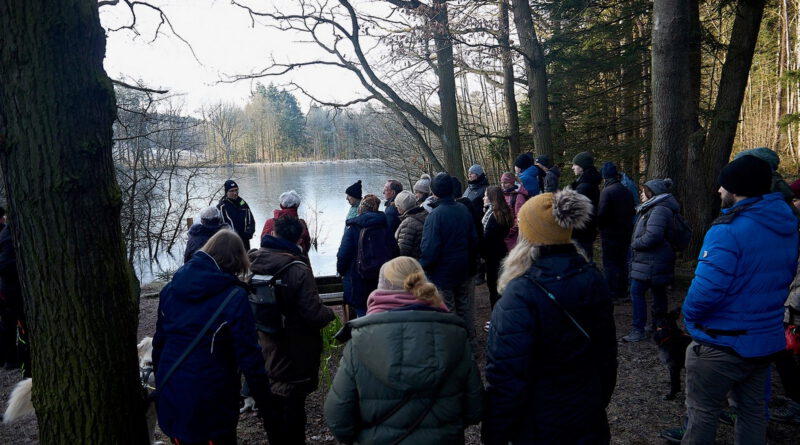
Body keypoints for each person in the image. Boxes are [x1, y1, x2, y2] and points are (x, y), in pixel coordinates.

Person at [678, 155, 798, 444]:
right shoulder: (786, 226)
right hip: (764, 341)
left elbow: (706, 291)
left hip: (722, 341)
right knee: (754, 413)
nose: (719, 191)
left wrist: (690, 317)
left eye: (723, 186)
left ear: (735, 189)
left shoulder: (727, 231)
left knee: (702, 412)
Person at [482, 189, 617, 445]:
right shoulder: (592, 278)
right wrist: (596, 403)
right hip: (588, 417)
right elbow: (607, 356)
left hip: (539, 425)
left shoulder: (520, 294)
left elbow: (506, 377)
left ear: (528, 234)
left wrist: (494, 434)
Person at [324, 256, 483, 444]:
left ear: (381, 288)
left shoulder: (359, 341)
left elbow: (338, 416)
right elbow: (475, 408)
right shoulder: (454, 335)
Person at [152, 229, 271, 445]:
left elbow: (159, 345)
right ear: (237, 260)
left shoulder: (170, 290)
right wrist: (266, 403)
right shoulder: (234, 297)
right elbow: (249, 357)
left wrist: (162, 388)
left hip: (173, 395)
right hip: (210, 402)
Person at [249, 217, 335, 444]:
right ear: (299, 238)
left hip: (263, 343)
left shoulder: (253, 260)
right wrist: (329, 314)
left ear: (274, 233)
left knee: (272, 402)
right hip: (294, 348)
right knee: (294, 407)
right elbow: (313, 315)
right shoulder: (298, 268)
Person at [420, 172, 479, 344]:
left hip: (443, 273)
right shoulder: (463, 210)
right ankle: (470, 344)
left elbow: (429, 249)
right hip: (463, 268)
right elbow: (473, 240)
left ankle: (454, 348)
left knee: (447, 310)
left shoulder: (435, 216)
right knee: (464, 307)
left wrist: (424, 267)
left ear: (435, 192)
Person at [623, 178, 679, 342]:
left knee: (637, 292)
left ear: (651, 193)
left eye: (643, 191)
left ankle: (638, 329)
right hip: (652, 261)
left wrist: (635, 243)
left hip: (652, 261)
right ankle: (657, 326)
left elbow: (653, 236)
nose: (640, 194)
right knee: (657, 293)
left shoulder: (659, 210)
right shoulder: (654, 208)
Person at [337, 194, 399, 318]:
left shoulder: (353, 228)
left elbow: (343, 255)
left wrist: (342, 271)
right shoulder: (385, 227)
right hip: (382, 281)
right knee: (381, 314)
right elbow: (396, 253)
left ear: (361, 209)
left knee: (362, 314)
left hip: (357, 280)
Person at [597, 162, 635, 304]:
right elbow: (632, 210)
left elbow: (602, 214)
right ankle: (622, 291)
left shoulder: (607, 192)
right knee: (622, 262)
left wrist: (600, 227)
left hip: (610, 233)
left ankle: (612, 293)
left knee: (610, 264)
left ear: (605, 177)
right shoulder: (626, 191)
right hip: (625, 232)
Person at [0, 225, 29, 374]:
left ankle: (11, 359)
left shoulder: (7, 232)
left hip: (9, 289)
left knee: (11, 325)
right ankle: (15, 361)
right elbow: (5, 265)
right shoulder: (9, 233)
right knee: (16, 326)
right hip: (12, 291)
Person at [481, 185, 512, 309]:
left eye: (485, 196)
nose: (483, 198)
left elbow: (487, 238)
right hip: (501, 252)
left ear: (491, 198)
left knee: (494, 288)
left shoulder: (492, 216)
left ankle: (496, 317)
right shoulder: (503, 212)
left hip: (492, 256)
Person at [570, 151, 601, 259]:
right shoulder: (588, 184)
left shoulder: (584, 187)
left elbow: (574, 210)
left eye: (575, 165)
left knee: (583, 260)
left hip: (581, 231)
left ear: (582, 167)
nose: (572, 167)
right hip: (586, 230)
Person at [217, 179, 256, 250]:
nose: (235, 193)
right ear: (226, 192)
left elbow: (251, 221)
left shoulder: (242, 203)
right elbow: (218, 226)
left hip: (244, 242)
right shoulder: (221, 207)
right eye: (232, 191)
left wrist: (248, 234)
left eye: (236, 190)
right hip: (229, 244)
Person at [394, 190, 427, 259]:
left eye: (397, 205)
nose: (396, 208)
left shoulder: (408, 223)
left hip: (412, 263)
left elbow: (402, 251)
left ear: (400, 207)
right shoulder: (423, 214)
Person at [500, 171, 527, 251]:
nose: (503, 185)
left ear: (512, 183)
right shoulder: (502, 194)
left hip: (513, 236)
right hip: (503, 234)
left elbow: (519, 218)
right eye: (501, 182)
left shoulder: (519, 197)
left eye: (506, 183)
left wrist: (509, 232)